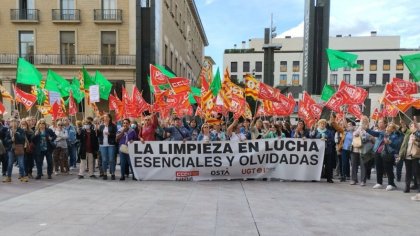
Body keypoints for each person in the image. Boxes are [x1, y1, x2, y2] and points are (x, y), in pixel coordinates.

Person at [365, 121, 403, 191]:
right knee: (378, 168)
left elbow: (397, 145)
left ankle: (391, 184)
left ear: (393, 129)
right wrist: (367, 129)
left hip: (388, 154)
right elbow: (375, 133)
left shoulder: (396, 135)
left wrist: (390, 142)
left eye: (389, 126)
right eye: (388, 125)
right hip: (378, 152)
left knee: (388, 169)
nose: (387, 127)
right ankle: (379, 183)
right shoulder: (383, 133)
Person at [398, 121, 420, 193]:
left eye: (413, 126)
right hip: (407, 156)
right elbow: (403, 129)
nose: (411, 127)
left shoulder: (418, 134)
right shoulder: (408, 134)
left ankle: (418, 187)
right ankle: (407, 187)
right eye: (411, 126)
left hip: (415, 156)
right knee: (408, 172)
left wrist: (415, 142)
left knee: (417, 172)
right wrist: (403, 124)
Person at [3, 118, 27, 183]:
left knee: (21, 163)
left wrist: (16, 134)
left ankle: (22, 176)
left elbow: (22, 139)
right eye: (11, 121)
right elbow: (5, 141)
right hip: (11, 149)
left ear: (17, 123)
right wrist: (11, 140)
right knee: (10, 163)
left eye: (15, 121)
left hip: (19, 148)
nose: (13, 123)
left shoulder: (21, 130)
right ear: (9, 123)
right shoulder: (8, 130)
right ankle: (8, 177)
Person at [97, 113, 118, 180]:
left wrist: (109, 134)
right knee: (104, 160)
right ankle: (105, 173)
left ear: (109, 118)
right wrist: (96, 130)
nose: (105, 118)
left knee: (111, 159)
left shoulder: (113, 126)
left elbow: (115, 135)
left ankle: (112, 173)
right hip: (103, 145)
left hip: (111, 144)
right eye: (104, 117)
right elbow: (98, 135)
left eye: (106, 117)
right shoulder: (101, 126)